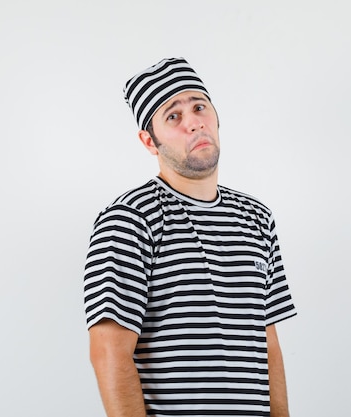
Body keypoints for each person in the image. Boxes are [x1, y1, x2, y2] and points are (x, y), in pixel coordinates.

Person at [83, 57, 297, 417]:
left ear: (215, 117)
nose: (193, 122)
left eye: (199, 106)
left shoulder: (258, 219)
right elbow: (108, 349)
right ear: (149, 141)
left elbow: (267, 341)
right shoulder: (131, 218)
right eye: (173, 116)